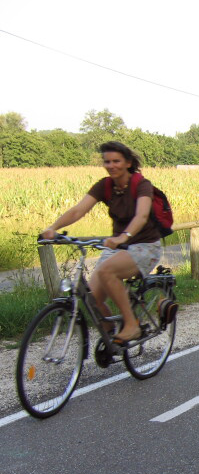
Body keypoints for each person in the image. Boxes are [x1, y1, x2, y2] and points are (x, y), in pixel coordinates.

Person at [41, 141, 163, 345]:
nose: (111, 165)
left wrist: (123, 236)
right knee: (91, 299)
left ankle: (131, 326)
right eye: (107, 161)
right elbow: (78, 211)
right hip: (116, 247)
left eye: (116, 161)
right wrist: (53, 228)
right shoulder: (104, 186)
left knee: (107, 272)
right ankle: (111, 337)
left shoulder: (142, 185)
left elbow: (141, 216)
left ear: (128, 163)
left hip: (145, 246)